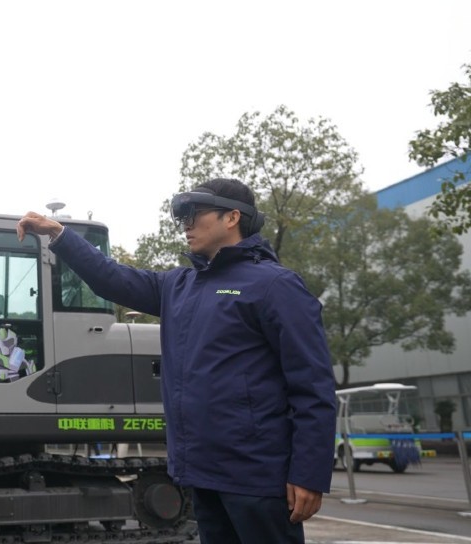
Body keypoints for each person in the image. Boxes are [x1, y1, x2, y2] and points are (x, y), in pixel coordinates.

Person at [17, 178, 337, 543]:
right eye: (181, 215)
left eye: (194, 213)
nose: (185, 223)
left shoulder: (274, 286)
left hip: (256, 478)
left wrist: (309, 474)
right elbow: (111, 279)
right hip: (201, 474)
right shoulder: (178, 286)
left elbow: (313, 386)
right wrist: (60, 235)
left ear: (232, 217)